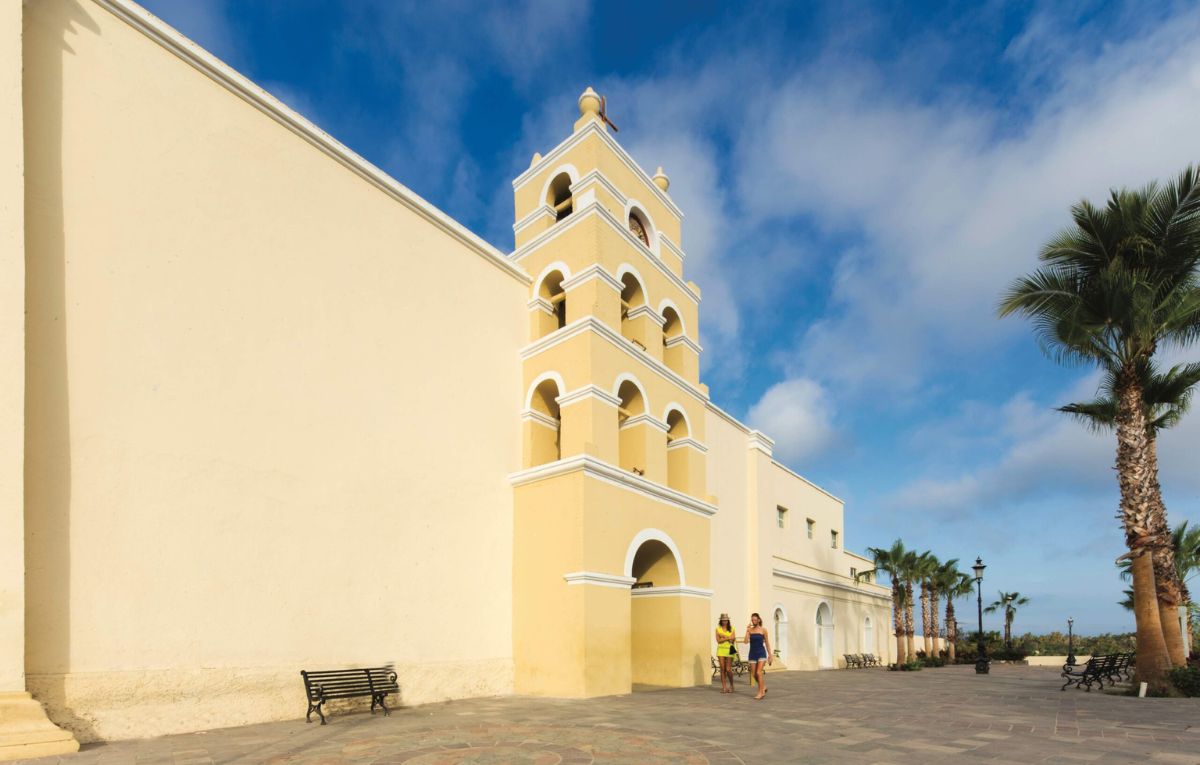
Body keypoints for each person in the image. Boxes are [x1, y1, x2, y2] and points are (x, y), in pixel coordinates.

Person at [743, 612, 772, 699]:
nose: (753, 621)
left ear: (758, 620)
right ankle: (763, 687)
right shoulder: (750, 630)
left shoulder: (764, 630)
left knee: (759, 672)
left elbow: (767, 643)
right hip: (752, 653)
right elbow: (745, 641)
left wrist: (770, 655)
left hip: (761, 653)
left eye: (755, 619)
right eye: (752, 620)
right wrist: (747, 630)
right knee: (754, 674)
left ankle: (761, 692)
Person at [715, 614, 738, 693]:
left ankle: (732, 685)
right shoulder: (718, 629)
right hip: (721, 650)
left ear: (728, 621)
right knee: (722, 669)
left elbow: (732, 639)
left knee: (728, 669)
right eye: (723, 620)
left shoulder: (732, 628)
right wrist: (727, 638)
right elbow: (718, 641)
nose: (725, 621)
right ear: (721, 621)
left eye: (726, 620)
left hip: (730, 650)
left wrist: (724, 637)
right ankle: (724, 687)